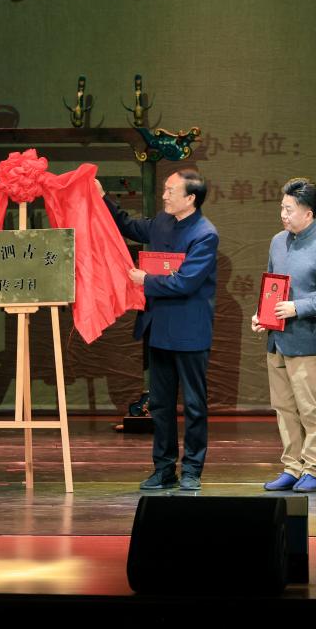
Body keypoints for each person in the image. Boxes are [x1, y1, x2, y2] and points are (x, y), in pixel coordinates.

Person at [98, 171, 218, 491]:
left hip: (190, 332)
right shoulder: (163, 222)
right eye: (164, 189)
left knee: (194, 405)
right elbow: (128, 225)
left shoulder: (205, 234)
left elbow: (185, 282)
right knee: (161, 405)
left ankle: (192, 469)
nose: (164, 196)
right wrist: (101, 197)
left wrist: (146, 280)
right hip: (159, 329)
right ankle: (164, 469)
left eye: (170, 190)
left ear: (190, 198)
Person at [252, 179, 316, 493]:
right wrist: (262, 315)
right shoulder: (278, 242)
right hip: (278, 340)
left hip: (309, 342)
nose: (283, 214)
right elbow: (272, 287)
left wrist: (297, 307)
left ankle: (312, 469)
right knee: (284, 408)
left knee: (312, 409)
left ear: (308, 213)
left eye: (289, 209)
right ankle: (292, 467)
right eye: (282, 207)